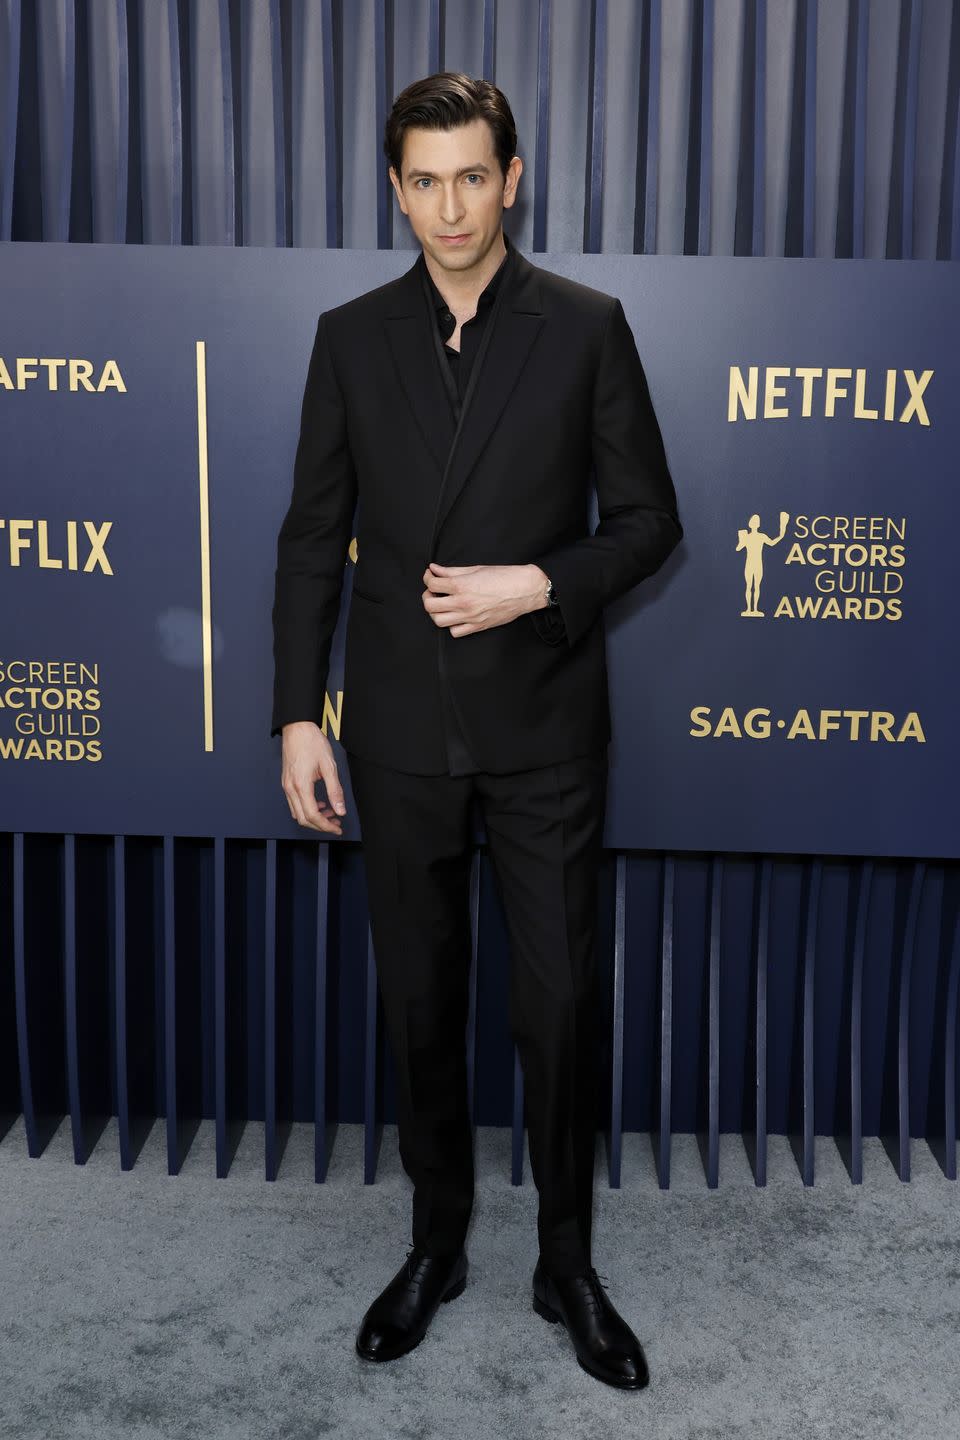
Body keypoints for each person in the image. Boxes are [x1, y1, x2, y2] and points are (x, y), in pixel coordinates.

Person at [270, 72, 682, 1390]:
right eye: (423, 180)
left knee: (559, 1010)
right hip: (391, 731)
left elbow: (649, 521)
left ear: (512, 179)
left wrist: (538, 582)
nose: (450, 205)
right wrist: (296, 714)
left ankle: (566, 1265)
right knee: (420, 1004)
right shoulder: (349, 337)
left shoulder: (586, 327)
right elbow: (305, 548)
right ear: (396, 189)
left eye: (472, 176)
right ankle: (437, 1241)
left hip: (546, 728)